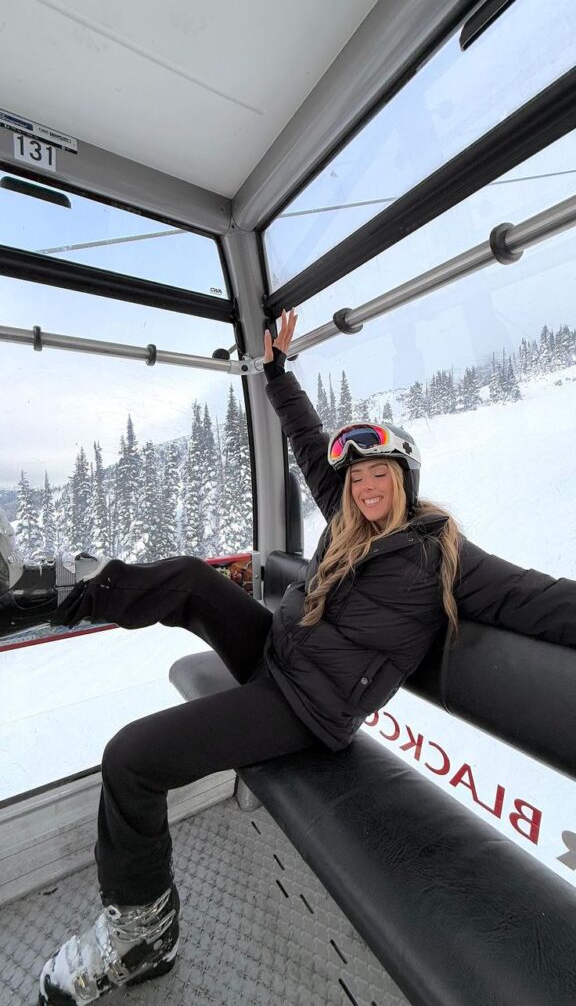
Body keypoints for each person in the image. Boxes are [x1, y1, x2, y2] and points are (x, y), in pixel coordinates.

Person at [38, 309, 576, 1005]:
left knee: (132, 757)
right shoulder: (345, 517)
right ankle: (65, 598)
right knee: (194, 579)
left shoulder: (444, 557)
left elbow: (544, 600)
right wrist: (276, 371)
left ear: (405, 477)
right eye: (356, 478)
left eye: (379, 473)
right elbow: (305, 439)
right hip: (274, 654)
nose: (364, 488)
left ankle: (142, 934)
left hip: (302, 709)